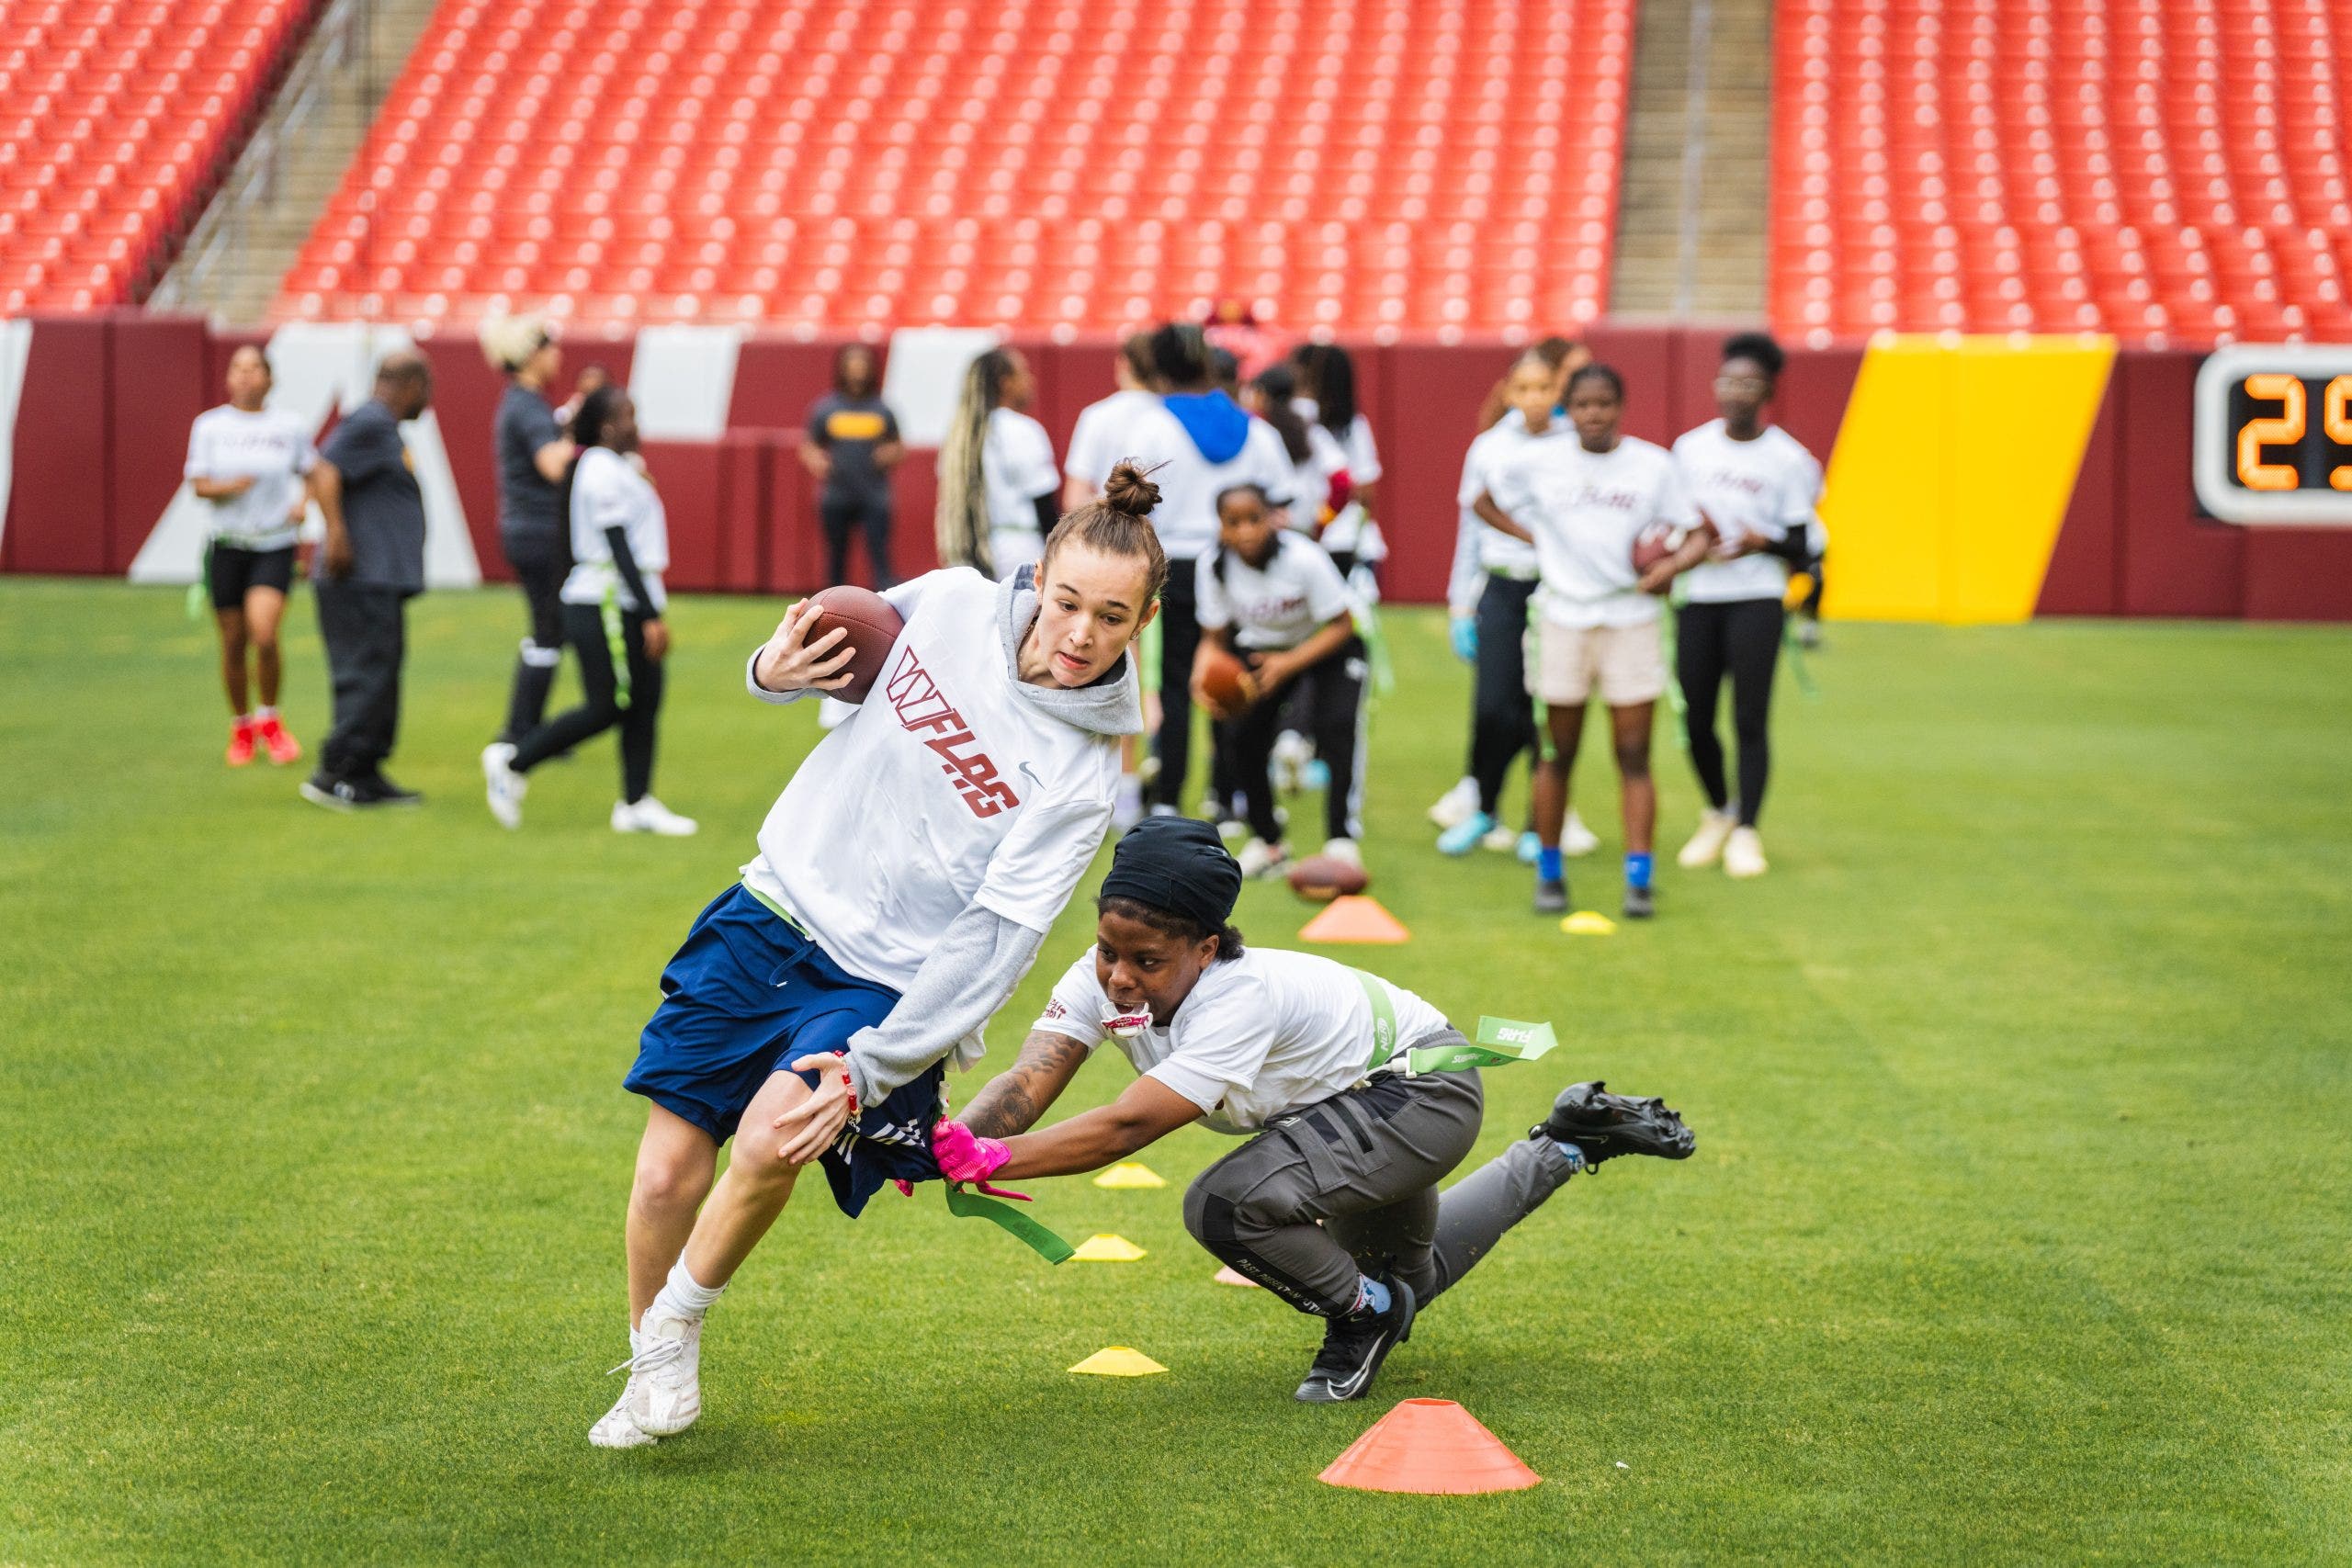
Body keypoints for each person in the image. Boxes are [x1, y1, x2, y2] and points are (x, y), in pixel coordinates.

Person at [588, 467, 1165, 1450]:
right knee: (661, 1181)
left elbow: (997, 942)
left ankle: (678, 1324)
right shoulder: (945, 603)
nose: (1078, 634)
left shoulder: (1079, 778)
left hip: (881, 983)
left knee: (777, 1134)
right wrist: (770, 671)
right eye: (1067, 603)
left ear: (1141, 622)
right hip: (770, 911)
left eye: (1110, 618)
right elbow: (818, 647)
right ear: (1038, 580)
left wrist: (877, 1067)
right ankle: (648, 1357)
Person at [933, 818, 1695, 1403]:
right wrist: (945, 1142)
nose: (1119, 978)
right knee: (1408, 1280)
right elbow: (1030, 1078)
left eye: (1146, 961)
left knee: (1226, 1205)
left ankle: (1361, 1316)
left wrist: (991, 1161)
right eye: (1107, 950)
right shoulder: (1104, 976)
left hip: (1416, 1094)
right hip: (1355, 1106)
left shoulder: (1238, 997)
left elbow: (1128, 1125)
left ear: (1205, 947)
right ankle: (1565, 1141)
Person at [1479, 365, 1715, 918]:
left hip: (1630, 618)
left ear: (1621, 406)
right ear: (1569, 408)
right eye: (1583, 404)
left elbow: (1699, 532)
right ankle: (1550, 870)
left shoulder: (1653, 465)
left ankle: (1639, 879)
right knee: (1557, 752)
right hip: (1562, 617)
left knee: (1633, 753)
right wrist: (1541, 542)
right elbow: (1483, 501)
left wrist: (1671, 567)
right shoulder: (1541, 460)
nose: (1594, 413)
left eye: (1604, 403)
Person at [481, 386, 695, 836]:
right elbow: (617, 545)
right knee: (609, 706)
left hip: (622, 598)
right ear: (606, 426)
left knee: (645, 701)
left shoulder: (618, 468)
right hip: (606, 601)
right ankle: (514, 761)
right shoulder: (599, 470)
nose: (637, 423)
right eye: (629, 415)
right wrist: (652, 613)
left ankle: (636, 802)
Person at [1121, 322, 1296, 817]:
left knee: (1175, 684)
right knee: (1234, 679)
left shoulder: (1150, 425)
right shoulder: (1255, 428)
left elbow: (1128, 503)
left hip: (1173, 565)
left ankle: (1170, 801)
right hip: (1236, 565)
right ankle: (1230, 795)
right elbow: (1286, 504)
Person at [1671, 333, 1825, 880]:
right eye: (1728, 381)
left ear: (1768, 391)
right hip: (1700, 595)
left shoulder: (1788, 459)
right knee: (1695, 714)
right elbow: (1672, 520)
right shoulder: (1690, 449)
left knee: (1750, 718)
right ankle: (1717, 809)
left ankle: (1747, 830)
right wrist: (1690, 543)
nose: (1736, 391)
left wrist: (1764, 542)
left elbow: (1805, 544)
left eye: (1749, 383)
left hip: (1756, 598)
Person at [1193, 483, 1363, 877]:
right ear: (1220, 527)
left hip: (1324, 646)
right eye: (1233, 522)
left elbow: (1342, 625)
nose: (1247, 531)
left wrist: (1287, 664)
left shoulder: (1304, 558)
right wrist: (1201, 677)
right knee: (1242, 738)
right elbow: (1213, 639)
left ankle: (1341, 838)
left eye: (1255, 519)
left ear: (1271, 518)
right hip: (1260, 652)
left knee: (1336, 727)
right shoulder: (1213, 565)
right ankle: (1268, 840)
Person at [300, 352, 433, 811]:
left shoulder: (382, 429)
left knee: (382, 674)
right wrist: (336, 532)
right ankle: (336, 773)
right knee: (366, 674)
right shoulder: (371, 421)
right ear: (411, 384)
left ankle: (367, 772)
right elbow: (324, 468)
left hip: (378, 578)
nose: (429, 400)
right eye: (426, 388)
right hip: (360, 578)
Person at [184, 345, 314, 768]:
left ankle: (270, 719)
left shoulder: (289, 426)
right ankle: (241, 726)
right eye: (237, 369)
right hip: (227, 545)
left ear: (270, 378)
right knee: (233, 641)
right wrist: (230, 487)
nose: (245, 376)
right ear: (228, 378)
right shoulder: (210, 426)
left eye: (254, 368)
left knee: (264, 633)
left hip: (274, 544)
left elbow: (313, 472)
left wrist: (303, 504)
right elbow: (199, 485)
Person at [481, 315, 576, 749]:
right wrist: (580, 441)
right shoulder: (527, 405)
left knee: (551, 628)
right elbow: (553, 465)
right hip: (538, 530)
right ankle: (520, 732)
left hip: (528, 529)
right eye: (550, 346)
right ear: (532, 354)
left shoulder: (523, 403)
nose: (558, 354)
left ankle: (528, 728)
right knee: (548, 629)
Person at [934, 346, 1058, 580]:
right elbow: (1044, 506)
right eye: (1023, 373)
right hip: (1020, 550)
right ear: (1005, 383)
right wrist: (1059, 557)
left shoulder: (957, 436)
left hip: (964, 553)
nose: (1030, 380)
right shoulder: (1023, 429)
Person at [801, 344, 903, 589]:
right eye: (852, 364)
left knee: (880, 558)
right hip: (837, 494)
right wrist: (816, 460)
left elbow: (899, 447)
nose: (857, 369)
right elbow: (809, 446)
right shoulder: (827, 408)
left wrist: (890, 453)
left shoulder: (882, 410)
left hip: (874, 495)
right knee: (836, 557)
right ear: (842, 369)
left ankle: (885, 609)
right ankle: (833, 608)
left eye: (862, 364)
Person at [1289, 343, 1382, 573]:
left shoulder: (1346, 427)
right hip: (1337, 535)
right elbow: (1365, 489)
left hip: (1326, 535)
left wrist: (1323, 518)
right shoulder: (1353, 425)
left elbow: (1357, 486)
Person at [1061, 331, 1160, 513]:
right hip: (1164, 534)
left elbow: (1075, 498)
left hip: (1113, 534)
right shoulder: (1172, 415)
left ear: (1123, 364)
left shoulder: (1097, 416)